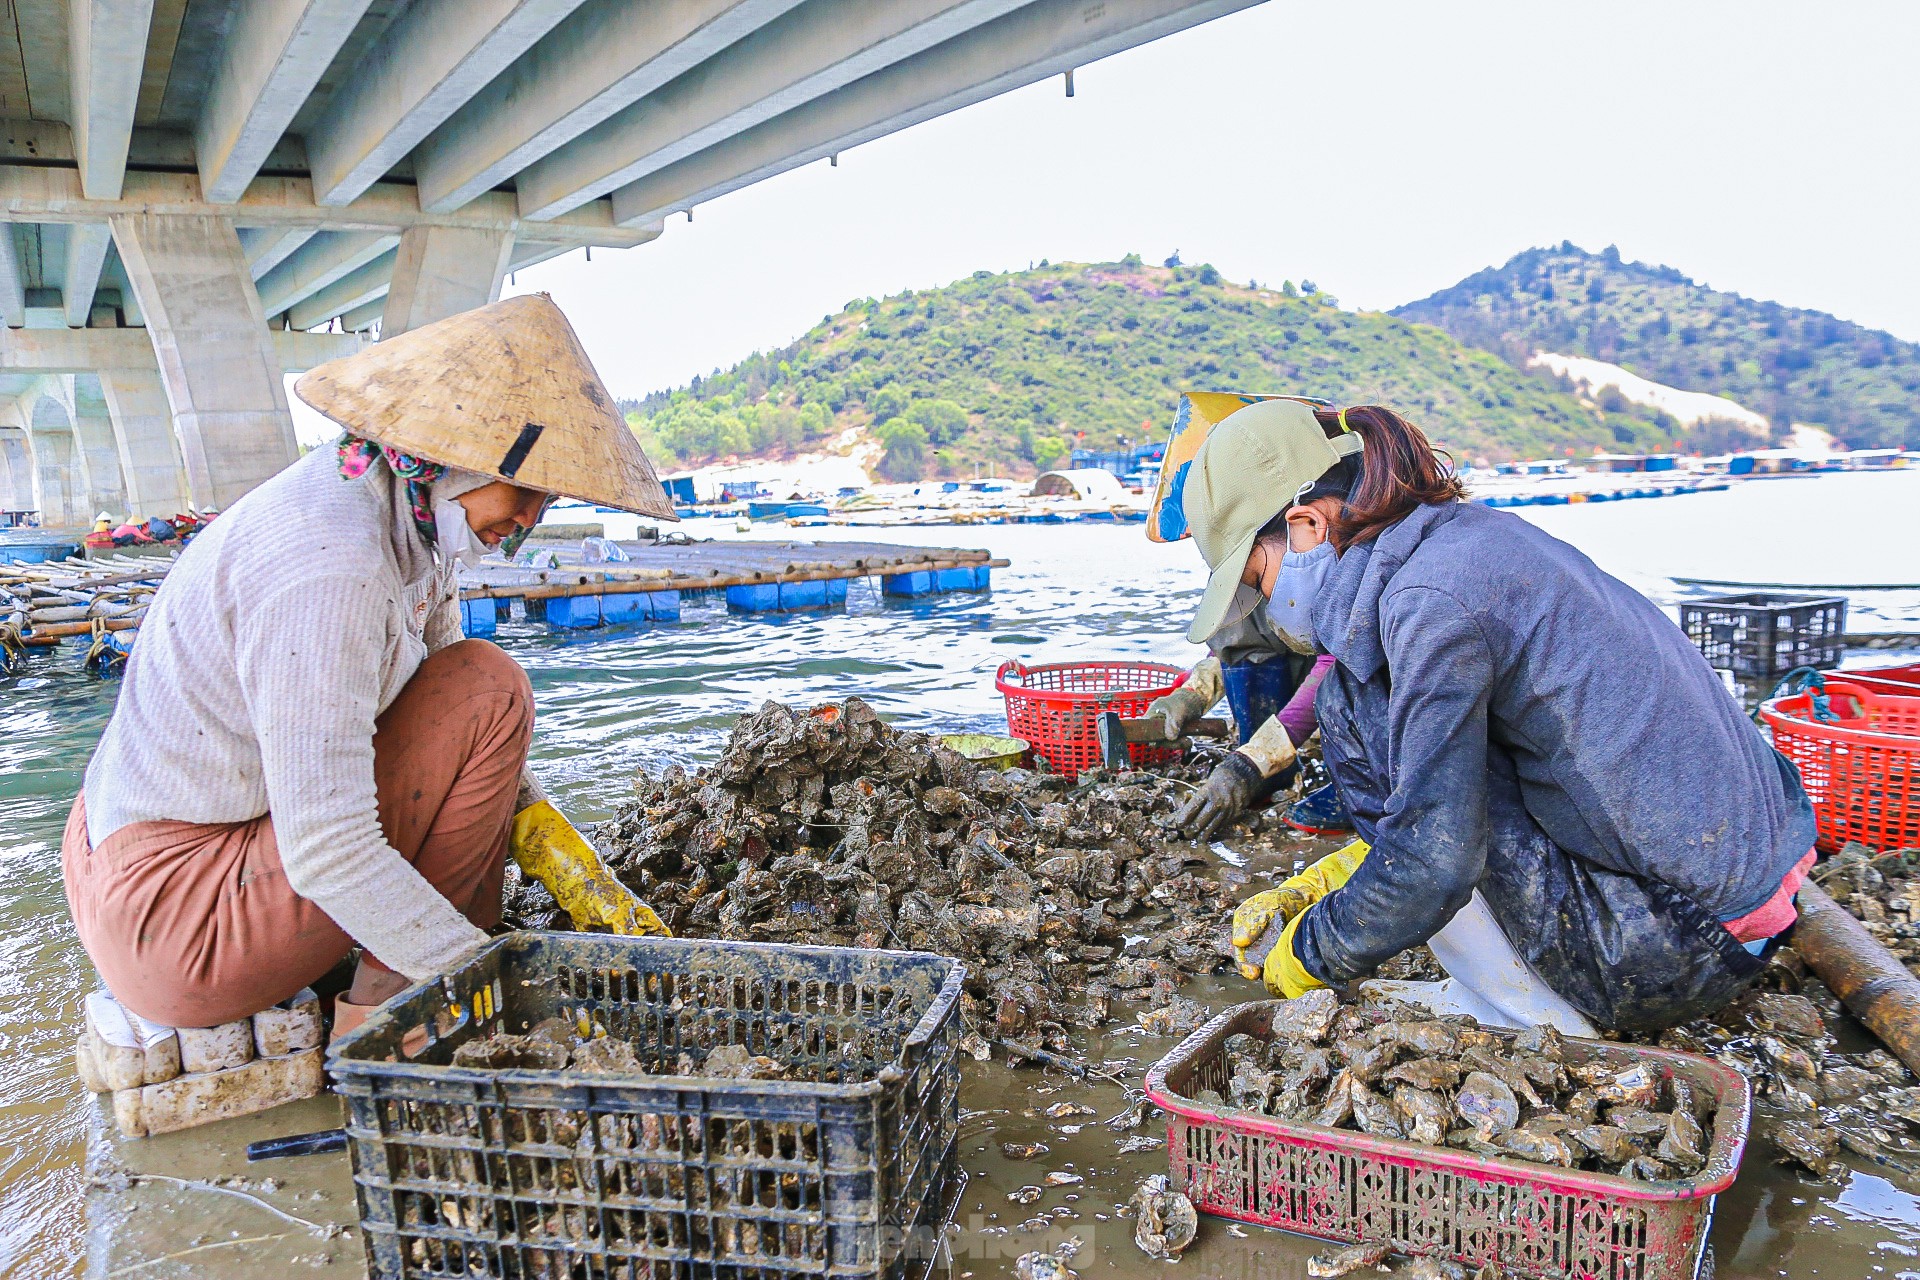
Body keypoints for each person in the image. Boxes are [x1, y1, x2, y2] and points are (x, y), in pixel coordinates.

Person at [62, 294, 674, 1042]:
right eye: (527, 489)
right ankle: (390, 1021)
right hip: (172, 921)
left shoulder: (405, 519)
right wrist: (488, 978)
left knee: (474, 688)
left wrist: (560, 852)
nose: (532, 519)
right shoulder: (335, 567)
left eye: (548, 498)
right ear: (451, 458)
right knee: (495, 689)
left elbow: (448, 711)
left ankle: (385, 972)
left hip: (123, 855)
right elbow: (328, 848)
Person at [1183, 399, 1817, 1034]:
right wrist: (1339, 875)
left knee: (1352, 702)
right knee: (1381, 720)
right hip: (1745, 899)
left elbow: (1439, 857)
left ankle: (1535, 1017)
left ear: (1307, 527)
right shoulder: (1469, 541)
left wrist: (1310, 950)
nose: (1266, 602)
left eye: (1259, 577)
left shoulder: (1426, 604)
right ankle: (1509, 978)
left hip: (1680, 946)